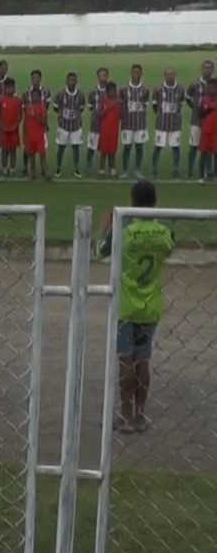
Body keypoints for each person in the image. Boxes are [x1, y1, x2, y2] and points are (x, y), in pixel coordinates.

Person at [97, 180, 172, 434]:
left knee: (125, 360)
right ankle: (140, 415)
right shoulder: (163, 231)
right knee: (143, 359)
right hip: (150, 305)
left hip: (126, 305)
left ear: (132, 201)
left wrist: (105, 227)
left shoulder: (124, 229)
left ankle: (125, 415)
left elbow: (100, 252)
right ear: (155, 202)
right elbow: (169, 249)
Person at [153, 68, 184, 178]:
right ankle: (154, 168)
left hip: (175, 124)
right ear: (164, 76)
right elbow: (154, 105)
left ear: (175, 75)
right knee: (158, 146)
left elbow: (181, 104)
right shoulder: (158, 89)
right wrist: (160, 115)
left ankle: (176, 168)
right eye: (168, 75)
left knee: (176, 147)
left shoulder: (180, 89)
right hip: (161, 124)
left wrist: (176, 115)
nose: (170, 76)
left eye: (172, 74)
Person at [121, 64, 150, 178]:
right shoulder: (124, 90)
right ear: (131, 73)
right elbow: (121, 105)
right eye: (134, 72)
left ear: (141, 74)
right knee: (127, 147)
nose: (135, 74)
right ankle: (125, 170)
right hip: (127, 124)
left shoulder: (145, 90)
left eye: (138, 72)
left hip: (140, 124)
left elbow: (146, 105)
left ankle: (138, 169)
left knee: (139, 147)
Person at [186, 60, 213, 179]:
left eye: (210, 68)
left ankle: (208, 171)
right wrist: (195, 109)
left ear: (213, 70)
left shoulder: (215, 84)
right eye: (205, 68)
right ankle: (190, 171)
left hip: (211, 122)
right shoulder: (194, 84)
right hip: (196, 121)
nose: (207, 70)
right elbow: (187, 97)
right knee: (193, 146)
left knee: (209, 147)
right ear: (202, 69)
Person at [54, 72, 84, 178]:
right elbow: (55, 108)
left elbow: (81, 109)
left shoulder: (80, 95)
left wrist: (74, 116)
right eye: (70, 80)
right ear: (66, 81)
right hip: (63, 126)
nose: (72, 82)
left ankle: (76, 168)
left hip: (76, 126)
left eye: (74, 80)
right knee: (61, 147)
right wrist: (63, 116)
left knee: (76, 147)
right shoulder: (60, 94)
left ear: (76, 82)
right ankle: (58, 168)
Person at [23, 71, 50, 181]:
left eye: (37, 78)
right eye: (33, 78)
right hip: (30, 131)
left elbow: (45, 115)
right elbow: (25, 117)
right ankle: (32, 172)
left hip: (39, 132)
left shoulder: (42, 105)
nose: (35, 80)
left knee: (42, 153)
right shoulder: (27, 103)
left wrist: (45, 123)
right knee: (31, 153)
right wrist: (24, 131)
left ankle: (45, 171)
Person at [87, 67, 112, 173]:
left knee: (107, 147)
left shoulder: (111, 91)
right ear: (97, 77)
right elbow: (90, 107)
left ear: (107, 76)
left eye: (104, 75)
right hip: (95, 124)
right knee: (91, 146)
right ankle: (89, 165)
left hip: (108, 124)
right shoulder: (93, 92)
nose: (102, 77)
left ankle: (108, 167)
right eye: (100, 75)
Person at [0, 78, 22, 177]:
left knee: (13, 150)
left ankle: (12, 168)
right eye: (8, 87)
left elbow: (20, 115)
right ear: (5, 88)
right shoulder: (1, 100)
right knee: (4, 150)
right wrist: (1, 125)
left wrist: (16, 125)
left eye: (12, 87)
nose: (10, 89)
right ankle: (4, 168)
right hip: (3, 130)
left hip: (14, 130)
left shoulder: (18, 100)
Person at [98, 82, 122, 178]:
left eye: (114, 91)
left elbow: (121, 115)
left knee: (112, 152)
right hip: (104, 130)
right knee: (103, 151)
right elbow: (100, 114)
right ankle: (101, 170)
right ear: (107, 92)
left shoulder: (118, 103)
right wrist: (108, 107)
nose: (113, 93)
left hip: (114, 131)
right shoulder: (104, 101)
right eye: (111, 91)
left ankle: (113, 170)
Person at [201, 78, 217, 181]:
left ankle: (215, 173)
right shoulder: (204, 99)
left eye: (213, 87)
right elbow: (201, 113)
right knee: (207, 151)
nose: (210, 89)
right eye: (209, 87)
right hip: (207, 130)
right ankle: (208, 172)